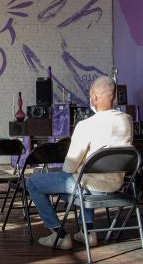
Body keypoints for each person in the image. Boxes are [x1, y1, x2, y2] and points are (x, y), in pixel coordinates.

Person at [26, 75, 133, 249]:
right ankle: (87, 232)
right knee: (85, 176)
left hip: (89, 187)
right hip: (115, 185)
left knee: (33, 182)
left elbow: (69, 166)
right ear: (113, 95)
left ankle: (58, 234)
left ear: (95, 97)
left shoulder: (86, 125)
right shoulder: (126, 120)